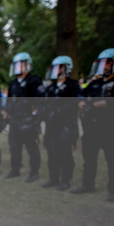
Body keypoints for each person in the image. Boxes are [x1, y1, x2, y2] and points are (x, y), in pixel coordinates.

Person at [70, 48, 114, 202]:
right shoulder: (95, 82)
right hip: (92, 127)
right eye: (102, 63)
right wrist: (83, 103)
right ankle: (87, 185)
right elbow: (81, 96)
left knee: (113, 160)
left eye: (106, 63)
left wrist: (94, 104)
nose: (103, 66)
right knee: (89, 158)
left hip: (111, 128)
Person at [41, 56, 81, 191]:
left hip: (65, 125)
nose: (55, 71)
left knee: (65, 153)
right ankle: (53, 178)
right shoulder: (50, 87)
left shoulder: (73, 86)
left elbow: (75, 104)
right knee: (52, 152)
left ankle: (65, 180)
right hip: (51, 125)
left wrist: (60, 110)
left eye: (58, 67)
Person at [3, 52, 44, 182]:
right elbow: (9, 101)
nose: (17, 67)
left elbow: (40, 101)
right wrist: (6, 112)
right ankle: (15, 169)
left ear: (27, 65)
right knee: (14, 146)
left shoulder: (35, 81)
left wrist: (35, 118)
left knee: (31, 146)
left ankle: (34, 171)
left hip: (28, 120)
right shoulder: (13, 83)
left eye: (20, 64)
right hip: (14, 120)